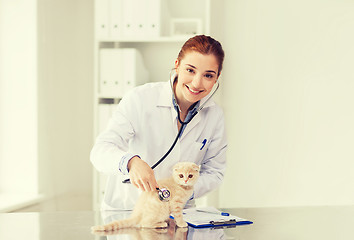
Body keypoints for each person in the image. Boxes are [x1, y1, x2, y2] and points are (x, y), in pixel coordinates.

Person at [90, 35, 227, 210]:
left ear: (217, 78)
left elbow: (215, 172)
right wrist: (131, 162)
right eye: (190, 70)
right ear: (177, 65)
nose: (196, 83)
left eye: (208, 75)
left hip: (178, 212)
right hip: (129, 211)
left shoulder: (214, 116)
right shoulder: (140, 99)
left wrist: (183, 191)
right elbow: (100, 151)